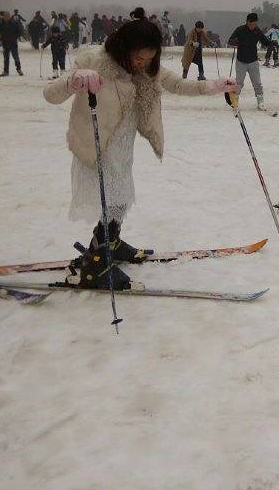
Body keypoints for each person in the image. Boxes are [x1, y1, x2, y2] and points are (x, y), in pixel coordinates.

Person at [42, 17, 238, 289]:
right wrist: (74, 80)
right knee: (111, 201)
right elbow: (50, 94)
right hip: (97, 146)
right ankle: (96, 264)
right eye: (138, 57)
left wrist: (213, 86)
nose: (142, 64)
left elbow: (177, 84)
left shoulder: (148, 68)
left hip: (122, 148)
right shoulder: (94, 61)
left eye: (149, 58)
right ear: (124, 47)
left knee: (121, 200)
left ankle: (111, 243)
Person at [228, 13, 275, 110]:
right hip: (241, 61)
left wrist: (272, 43)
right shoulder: (240, 30)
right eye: (251, 24)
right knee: (239, 83)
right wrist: (234, 41)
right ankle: (235, 101)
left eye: (255, 24)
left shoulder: (257, 31)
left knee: (257, 83)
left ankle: (260, 102)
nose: (253, 26)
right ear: (247, 22)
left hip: (253, 61)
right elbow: (230, 40)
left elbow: (265, 41)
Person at [0, 11, 23, 76]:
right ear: (3, 17)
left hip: (13, 43)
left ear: (10, 16)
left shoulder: (14, 23)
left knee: (16, 57)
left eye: (7, 16)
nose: (6, 18)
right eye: (5, 16)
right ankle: (6, 71)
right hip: (5, 43)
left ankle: (19, 69)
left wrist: (15, 37)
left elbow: (20, 31)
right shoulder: (1, 24)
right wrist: (1, 38)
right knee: (6, 58)